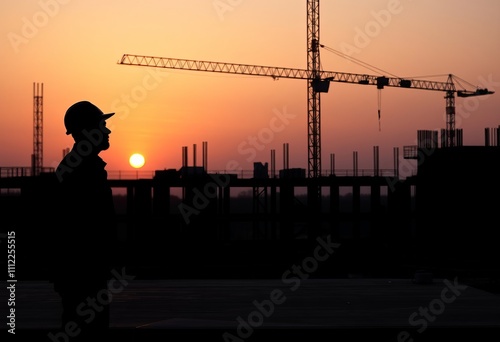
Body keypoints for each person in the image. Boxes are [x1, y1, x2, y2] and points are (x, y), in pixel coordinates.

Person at [50, 100, 116, 341]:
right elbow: (85, 225)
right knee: (89, 332)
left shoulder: (80, 167)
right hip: (84, 270)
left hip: (81, 269)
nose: (108, 131)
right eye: (102, 125)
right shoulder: (84, 170)